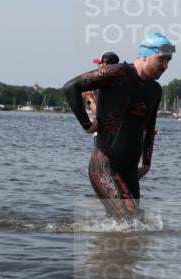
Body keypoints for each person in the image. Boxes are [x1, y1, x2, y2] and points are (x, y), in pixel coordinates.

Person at [63, 33, 172, 220]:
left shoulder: (155, 90)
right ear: (145, 55)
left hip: (130, 170)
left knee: (135, 221)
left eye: (169, 61)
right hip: (105, 165)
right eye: (161, 59)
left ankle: (101, 245)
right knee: (129, 219)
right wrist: (87, 125)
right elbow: (70, 87)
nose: (165, 66)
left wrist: (146, 163)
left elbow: (149, 127)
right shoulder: (116, 73)